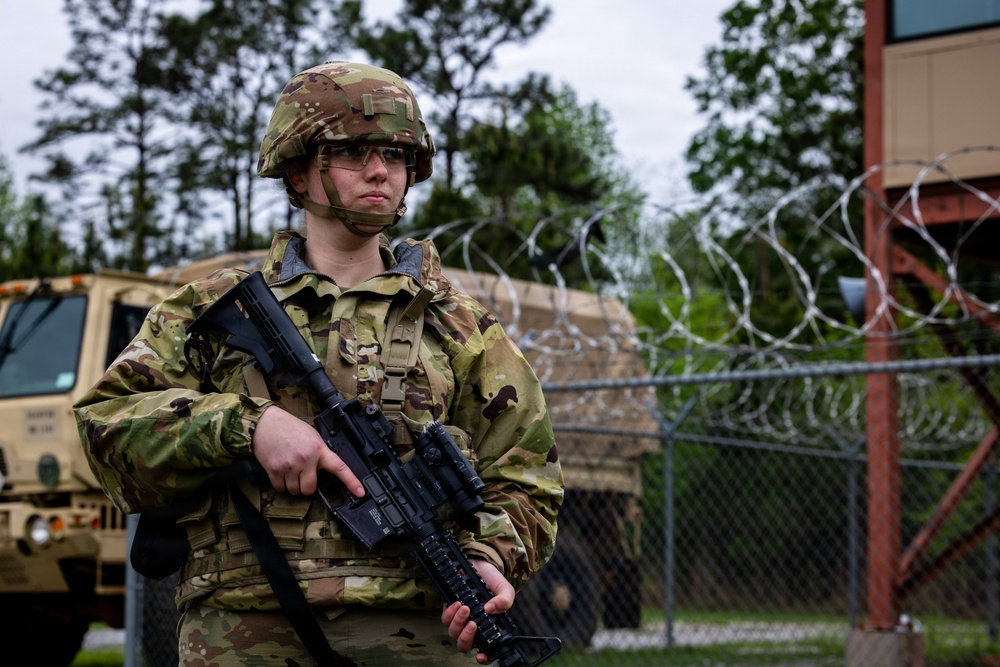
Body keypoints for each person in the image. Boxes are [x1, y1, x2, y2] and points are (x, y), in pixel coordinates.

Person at [74, 61, 563, 666]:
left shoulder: (461, 325)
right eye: (352, 151)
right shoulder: (210, 308)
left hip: (425, 635)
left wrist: (491, 556)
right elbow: (107, 426)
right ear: (299, 171)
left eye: (396, 153)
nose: (380, 169)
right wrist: (249, 428)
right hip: (246, 633)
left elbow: (527, 474)